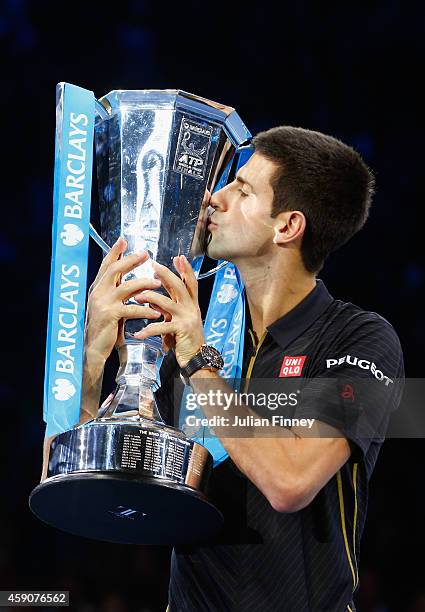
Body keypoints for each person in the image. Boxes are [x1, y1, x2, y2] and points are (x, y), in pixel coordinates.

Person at [80, 126, 404, 611]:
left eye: (243, 189)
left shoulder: (362, 340)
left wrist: (197, 365)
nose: (215, 197)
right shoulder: (198, 341)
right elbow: (87, 488)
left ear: (288, 227)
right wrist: (91, 359)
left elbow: (291, 483)